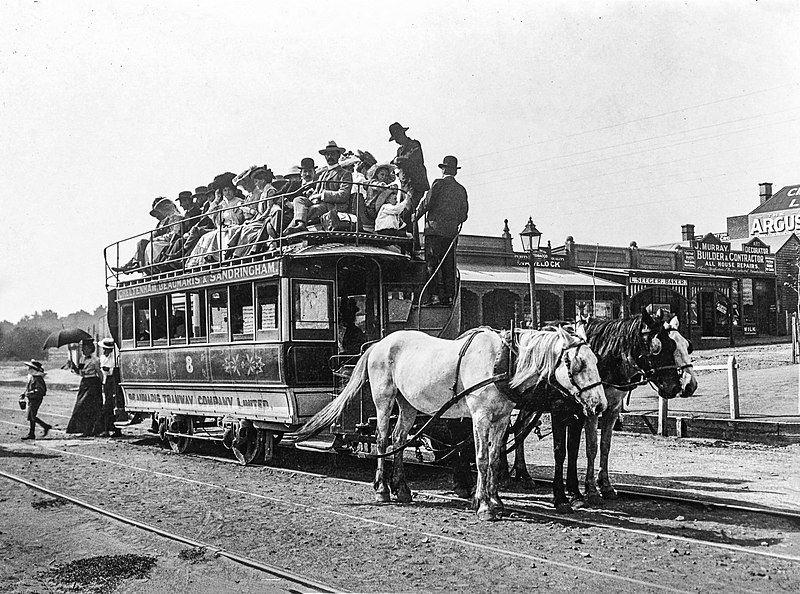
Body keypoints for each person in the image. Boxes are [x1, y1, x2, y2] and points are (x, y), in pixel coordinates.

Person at [414, 155, 469, 306]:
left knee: (432, 263)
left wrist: (415, 217)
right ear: (455, 172)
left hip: (434, 231)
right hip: (451, 234)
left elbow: (427, 203)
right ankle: (450, 298)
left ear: (443, 169)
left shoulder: (438, 183)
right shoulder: (461, 190)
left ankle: (434, 297)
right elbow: (464, 216)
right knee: (449, 265)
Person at [284, 141, 353, 233]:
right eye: (327, 154)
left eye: (332, 154)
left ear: (338, 155)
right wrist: (313, 196)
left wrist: (321, 195)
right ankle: (299, 225)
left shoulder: (345, 174)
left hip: (333, 206)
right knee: (298, 200)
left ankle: (287, 232)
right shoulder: (323, 174)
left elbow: (343, 195)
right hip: (320, 204)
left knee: (312, 209)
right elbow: (316, 192)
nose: (329, 157)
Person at [113, 197, 183, 273]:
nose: (157, 216)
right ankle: (134, 263)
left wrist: (158, 238)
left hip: (168, 242)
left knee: (152, 245)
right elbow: (153, 236)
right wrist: (154, 236)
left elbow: (175, 234)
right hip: (161, 241)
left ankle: (135, 264)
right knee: (142, 243)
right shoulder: (161, 223)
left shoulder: (176, 217)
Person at [389, 122, 430, 251]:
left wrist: (396, 161)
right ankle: (409, 244)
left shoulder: (415, 145)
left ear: (402, 133)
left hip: (416, 185)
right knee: (405, 213)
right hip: (405, 186)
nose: (396, 141)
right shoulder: (399, 150)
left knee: (408, 211)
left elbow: (409, 160)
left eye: (396, 137)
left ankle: (414, 246)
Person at [66, 339, 104, 437]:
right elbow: (80, 372)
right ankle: (82, 429)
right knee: (81, 406)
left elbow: (99, 373)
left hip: (93, 384)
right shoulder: (82, 359)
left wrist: (102, 383)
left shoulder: (95, 360)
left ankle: (92, 429)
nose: (82, 350)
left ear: (90, 348)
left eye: (84, 348)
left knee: (91, 407)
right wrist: (74, 367)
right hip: (84, 383)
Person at [20, 360, 52, 440]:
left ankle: (32, 433)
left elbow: (41, 390)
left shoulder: (38, 379)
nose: (29, 369)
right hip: (32, 398)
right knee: (31, 415)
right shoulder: (32, 378)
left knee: (31, 415)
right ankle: (44, 426)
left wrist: (29, 393)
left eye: (30, 368)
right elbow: (28, 388)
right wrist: (25, 393)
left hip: (36, 398)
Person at [99, 338, 123, 437]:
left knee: (112, 405)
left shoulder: (114, 359)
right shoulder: (102, 357)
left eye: (106, 349)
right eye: (103, 349)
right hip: (106, 382)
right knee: (107, 405)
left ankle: (115, 429)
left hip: (112, 381)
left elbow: (115, 371)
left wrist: (109, 369)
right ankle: (108, 428)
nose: (104, 351)